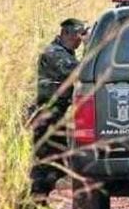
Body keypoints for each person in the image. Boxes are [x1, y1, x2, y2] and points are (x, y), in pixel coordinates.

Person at [29, 18, 88, 195]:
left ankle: (37, 201)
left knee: (55, 161)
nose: (80, 39)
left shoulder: (65, 53)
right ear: (66, 34)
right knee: (48, 161)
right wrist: (89, 47)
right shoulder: (54, 53)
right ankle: (34, 202)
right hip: (47, 115)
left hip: (55, 115)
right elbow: (82, 72)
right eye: (79, 34)